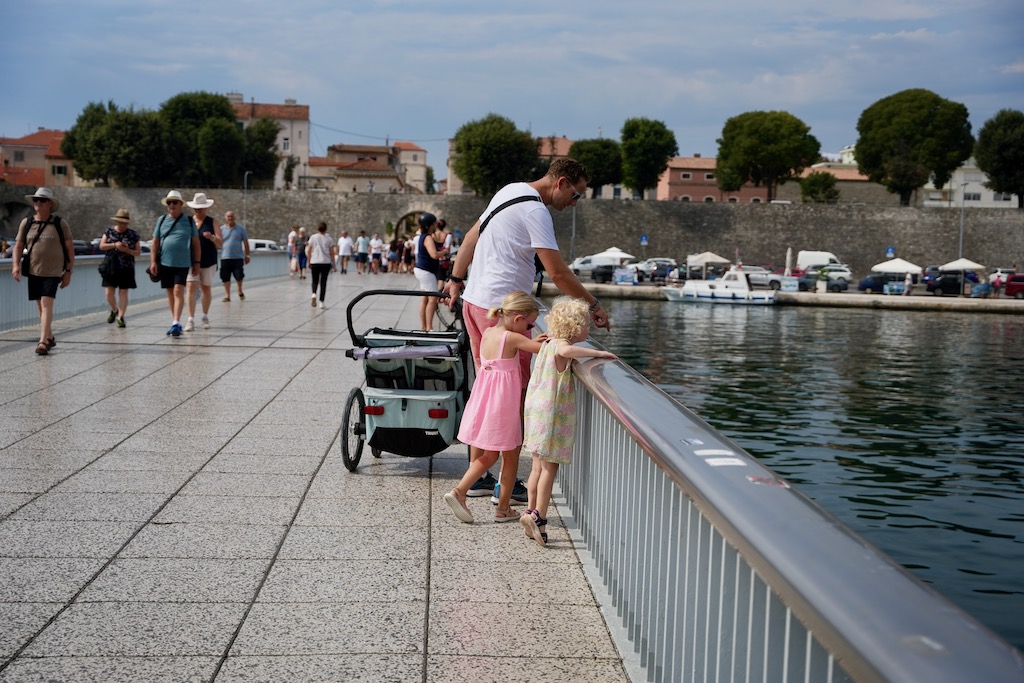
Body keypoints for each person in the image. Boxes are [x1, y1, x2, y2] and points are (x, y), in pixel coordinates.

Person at [442, 158, 611, 501]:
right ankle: (504, 488)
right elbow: (558, 272)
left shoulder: (509, 191)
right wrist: (593, 305)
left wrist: (456, 278)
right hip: (506, 314)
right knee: (512, 395)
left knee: (488, 388)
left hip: (477, 303)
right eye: (575, 195)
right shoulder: (537, 211)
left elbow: (472, 237)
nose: (574, 204)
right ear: (562, 182)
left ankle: (478, 477)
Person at [519, 297, 618, 546]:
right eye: (585, 323)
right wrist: (597, 353)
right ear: (573, 327)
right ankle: (540, 517)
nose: (588, 328)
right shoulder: (561, 345)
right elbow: (566, 351)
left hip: (535, 411)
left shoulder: (547, 343)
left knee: (536, 467)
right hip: (552, 414)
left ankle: (530, 512)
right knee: (550, 469)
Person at [443, 292, 543, 524]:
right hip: (503, 406)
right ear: (517, 318)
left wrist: (534, 340)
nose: (530, 329)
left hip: (484, 400)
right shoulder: (512, 338)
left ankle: (463, 492)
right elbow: (542, 349)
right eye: (530, 324)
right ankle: (497, 506)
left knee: (489, 455)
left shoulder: (489, 332)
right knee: (509, 457)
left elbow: (525, 345)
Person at [11, 187, 73, 355]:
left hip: (53, 272)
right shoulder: (27, 222)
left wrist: (68, 272)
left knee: (46, 303)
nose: (38, 203)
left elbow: (69, 249)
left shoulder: (60, 223)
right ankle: (50, 336)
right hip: (33, 270)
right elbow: (18, 245)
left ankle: (42, 342)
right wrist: (15, 265)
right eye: (36, 200)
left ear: (50, 204)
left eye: (42, 200)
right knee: (40, 305)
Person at [150, 190, 200, 337]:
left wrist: (197, 262)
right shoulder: (162, 220)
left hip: (183, 263)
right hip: (165, 262)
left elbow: (196, 244)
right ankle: (175, 321)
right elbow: (155, 242)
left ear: (180, 205)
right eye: (169, 202)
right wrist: (153, 261)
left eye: (174, 202)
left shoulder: (189, 221)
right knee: (170, 293)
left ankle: (176, 322)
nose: (171, 205)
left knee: (178, 290)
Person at [184, 193, 221, 331]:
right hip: (191, 261)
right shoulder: (188, 221)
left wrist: (211, 237)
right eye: (196, 209)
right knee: (191, 288)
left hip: (208, 260)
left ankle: (205, 316)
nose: (198, 211)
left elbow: (220, 242)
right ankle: (190, 319)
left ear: (206, 208)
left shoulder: (212, 222)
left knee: (206, 288)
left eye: (200, 208)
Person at [99, 208, 140, 328]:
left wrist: (128, 250)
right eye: (120, 222)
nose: (122, 225)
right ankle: (114, 309)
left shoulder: (133, 235)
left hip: (126, 266)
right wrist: (114, 245)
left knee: (123, 292)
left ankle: (121, 317)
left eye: (125, 223)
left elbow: (138, 252)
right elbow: (102, 246)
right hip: (111, 265)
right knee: (109, 293)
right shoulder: (109, 231)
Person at [412, 213, 448, 331]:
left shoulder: (424, 236)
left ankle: (424, 327)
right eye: (434, 224)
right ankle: (429, 327)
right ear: (430, 225)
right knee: (432, 299)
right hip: (426, 271)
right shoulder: (427, 237)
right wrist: (445, 252)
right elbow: (434, 254)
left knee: (425, 298)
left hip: (422, 269)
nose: (435, 226)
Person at [220, 210, 250, 301]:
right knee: (225, 276)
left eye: (231, 216)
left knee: (239, 275)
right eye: (228, 216)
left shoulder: (240, 229)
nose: (230, 218)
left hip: (238, 257)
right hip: (225, 257)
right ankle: (227, 295)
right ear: (225, 218)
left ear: (234, 218)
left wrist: (247, 255)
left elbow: (245, 242)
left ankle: (240, 290)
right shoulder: (221, 229)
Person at [307, 221, 337, 308]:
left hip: (315, 261)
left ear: (318, 229)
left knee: (314, 280)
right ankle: (321, 302)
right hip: (325, 262)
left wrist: (309, 261)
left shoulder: (313, 237)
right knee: (323, 282)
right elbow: (332, 252)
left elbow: (309, 250)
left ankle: (313, 294)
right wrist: (334, 265)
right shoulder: (329, 239)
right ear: (326, 229)